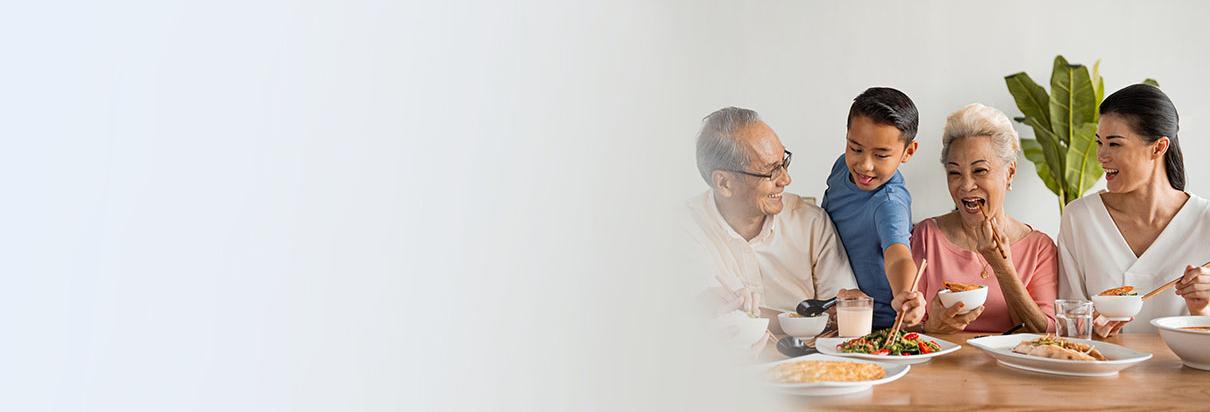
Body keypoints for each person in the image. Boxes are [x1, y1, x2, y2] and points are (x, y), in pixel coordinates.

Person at [687, 107, 864, 324]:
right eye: (771, 171)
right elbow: (700, 318)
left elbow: (841, 312)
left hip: (811, 357)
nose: (785, 179)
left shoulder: (811, 223)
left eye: (784, 162)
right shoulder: (685, 228)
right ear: (724, 183)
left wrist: (845, 309)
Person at [1059, 84, 1210, 336]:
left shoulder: (1204, 221)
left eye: (1114, 144)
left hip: (1184, 374)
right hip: (1099, 370)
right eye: (1099, 143)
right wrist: (1089, 327)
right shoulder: (1079, 218)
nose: (1101, 156)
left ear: (1159, 147)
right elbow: (1071, 326)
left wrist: (1202, 310)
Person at [911, 103, 1057, 334]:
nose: (966, 185)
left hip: (1010, 368)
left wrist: (1002, 266)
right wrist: (930, 327)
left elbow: (1044, 334)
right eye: (955, 173)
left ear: (1009, 172)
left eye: (980, 171)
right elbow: (904, 329)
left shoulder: (1039, 247)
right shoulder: (927, 236)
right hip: (940, 368)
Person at [822, 87, 927, 329]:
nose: (865, 165)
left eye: (881, 155)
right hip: (835, 308)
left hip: (875, 323)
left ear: (908, 152)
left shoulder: (890, 203)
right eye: (856, 149)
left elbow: (898, 255)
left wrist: (905, 295)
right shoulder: (842, 167)